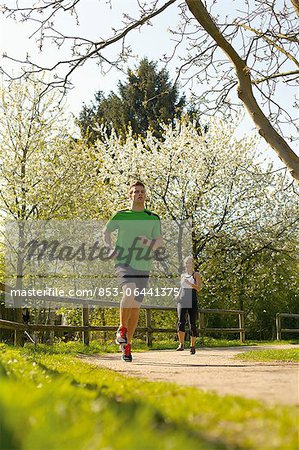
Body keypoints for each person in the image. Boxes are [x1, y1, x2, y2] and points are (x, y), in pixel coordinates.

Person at [103, 181, 163, 362]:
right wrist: (109, 248)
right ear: (130, 195)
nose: (139, 194)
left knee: (135, 307)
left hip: (144, 266)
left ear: (145, 195)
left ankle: (127, 346)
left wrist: (148, 243)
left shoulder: (153, 218)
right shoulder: (121, 215)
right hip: (124, 262)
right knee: (128, 291)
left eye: (142, 191)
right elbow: (106, 231)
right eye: (136, 191)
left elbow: (159, 243)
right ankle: (121, 328)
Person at [176, 256, 202, 354]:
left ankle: (192, 346)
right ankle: (181, 344)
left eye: (190, 263)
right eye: (187, 263)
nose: (188, 264)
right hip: (182, 299)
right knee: (181, 321)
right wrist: (177, 296)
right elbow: (181, 287)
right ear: (184, 264)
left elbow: (199, 288)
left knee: (192, 323)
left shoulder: (196, 275)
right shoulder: (182, 275)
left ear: (193, 264)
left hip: (192, 299)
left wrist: (190, 284)